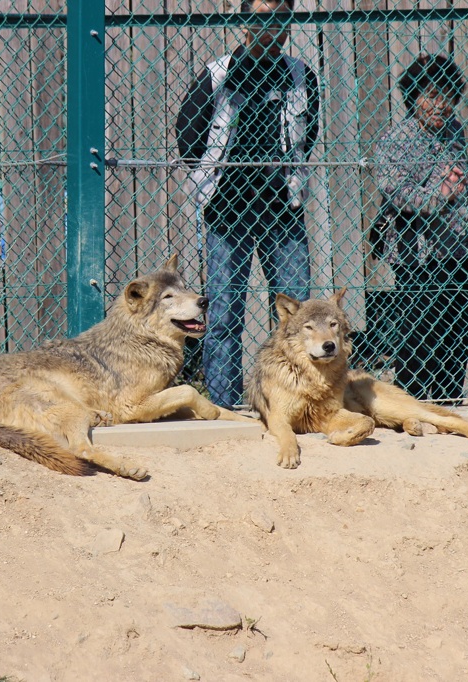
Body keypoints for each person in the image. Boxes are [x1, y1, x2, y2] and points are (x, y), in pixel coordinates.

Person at [175, 0, 320, 408]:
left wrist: (279, 175)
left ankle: (293, 397)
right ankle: (223, 404)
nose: (272, 29)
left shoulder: (299, 74)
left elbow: (308, 135)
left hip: (282, 208)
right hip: (227, 209)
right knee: (222, 315)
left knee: (295, 312)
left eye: (280, 20)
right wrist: (218, 179)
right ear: (244, 23)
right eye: (262, 19)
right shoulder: (218, 74)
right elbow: (188, 134)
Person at [371, 54, 468, 403]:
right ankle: (413, 400)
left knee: (456, 328)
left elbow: (465, 190)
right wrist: (438, 195)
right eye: (431, 95)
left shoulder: (456, 131)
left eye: (447, 96)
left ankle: (450, 398)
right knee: (418, 331)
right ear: (413, 97)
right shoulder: (396, 139)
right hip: (416, 254)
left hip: (456, 248)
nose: (440, 105)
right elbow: (394, 190)